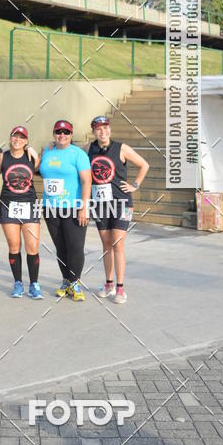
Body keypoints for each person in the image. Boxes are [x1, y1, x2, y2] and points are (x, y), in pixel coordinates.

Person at [88, 115, 149, 304]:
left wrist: (135, 185)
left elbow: (144, 165)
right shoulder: (91, 149)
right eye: (99, 129)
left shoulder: (121, 148)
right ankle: (109, 284)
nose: (103, 131)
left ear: (110, 129)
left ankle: (120, 288)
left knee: (118, 244)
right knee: (106, 244)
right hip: (100, 203)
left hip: (121, 202)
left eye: (106, 127)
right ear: (94, 132)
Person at [39, 119, 92, 301]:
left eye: (66, 132)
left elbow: (87, 181)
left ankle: (75, 282)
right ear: (54, 134)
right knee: (60, 248)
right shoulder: (48, 152)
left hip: (73, 208)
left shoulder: (78, 154)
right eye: (58, 132)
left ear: (71, 135)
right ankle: (66, 281)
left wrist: (84, 207)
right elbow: (38, 169)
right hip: (51, 208)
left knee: (75, 247)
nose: (62, 135)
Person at [0, 125, 42, 299]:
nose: (18, 139)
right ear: (10, 138)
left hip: (29, 204)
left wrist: (35, 153)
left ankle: (34, 284)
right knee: (14, 245)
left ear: (26, 141)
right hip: (9, 205)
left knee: (32, 246)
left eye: (22, 137)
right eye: (15, 136)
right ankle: (18, 283)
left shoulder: (31, 156)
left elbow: (44, 170)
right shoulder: (3, 156)